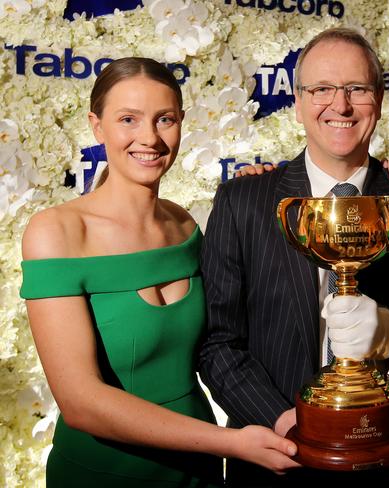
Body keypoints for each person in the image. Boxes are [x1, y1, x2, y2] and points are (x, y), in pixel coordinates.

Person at [198, 27, 389, 487]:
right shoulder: (243, 200)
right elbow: (218, 342)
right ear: (299, 101)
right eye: (321, 89)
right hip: (277, 459)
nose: (339, 106)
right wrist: (286, 424)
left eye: (356, 89)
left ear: (378, 100)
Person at [20, 57, 298, 487]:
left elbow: (230, 330)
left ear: (181, 123)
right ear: (97, 126)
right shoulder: (55, 232)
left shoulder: (186, 224)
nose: (149, 138)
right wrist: (232, 443)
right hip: (105, 474)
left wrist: (256, 193)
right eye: (128, 119)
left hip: (199, 470)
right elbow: (80, 402)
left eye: (164, 119)